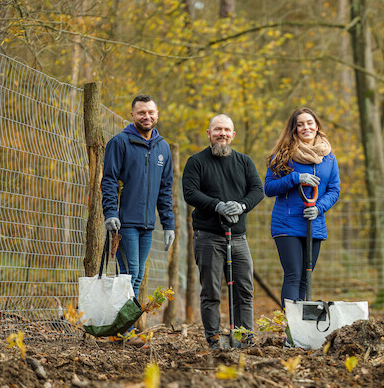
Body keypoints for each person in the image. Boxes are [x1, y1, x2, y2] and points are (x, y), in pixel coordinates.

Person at [182, 114, 264, 350]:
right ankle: (214, 339)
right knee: (211, 291)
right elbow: (190, 192)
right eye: (217, 129)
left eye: (227, 130)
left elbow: (258, 189)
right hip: (208, 237)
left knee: (245, 290)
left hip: (238, 237)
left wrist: (242, 206)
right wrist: (217, 205)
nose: (222, 134)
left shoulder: (245, 162)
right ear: (209, 133)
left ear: (233, 134)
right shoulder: (196, 162)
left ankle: (244, 337)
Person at [264, 108, 341, 308]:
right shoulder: (282, 155)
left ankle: (302, 330)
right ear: (294, 129)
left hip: (314, 222)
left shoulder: (329, 157)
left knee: (306, 277)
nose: (305, 127)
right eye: (300, 124)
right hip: (286, 223)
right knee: (293, 275)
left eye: (309, 123)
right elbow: (269, 188)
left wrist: (319, 207)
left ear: (317, 126)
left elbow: (334, 190)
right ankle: (290, 329)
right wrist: (294, 178)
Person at [101, 94, 175, 299]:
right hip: (124, 222)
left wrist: (168, 224)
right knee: (130, 273)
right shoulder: (119, 142)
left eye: (151, 112)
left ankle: (125, 327)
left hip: (147, 225)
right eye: (141, 112)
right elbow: (109, 180)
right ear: (132, 114)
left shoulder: (163, 147)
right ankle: (124, 329)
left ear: (157, 114)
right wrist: (110, 212)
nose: (146, 116)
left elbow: (165, 189)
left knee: (137, 275)